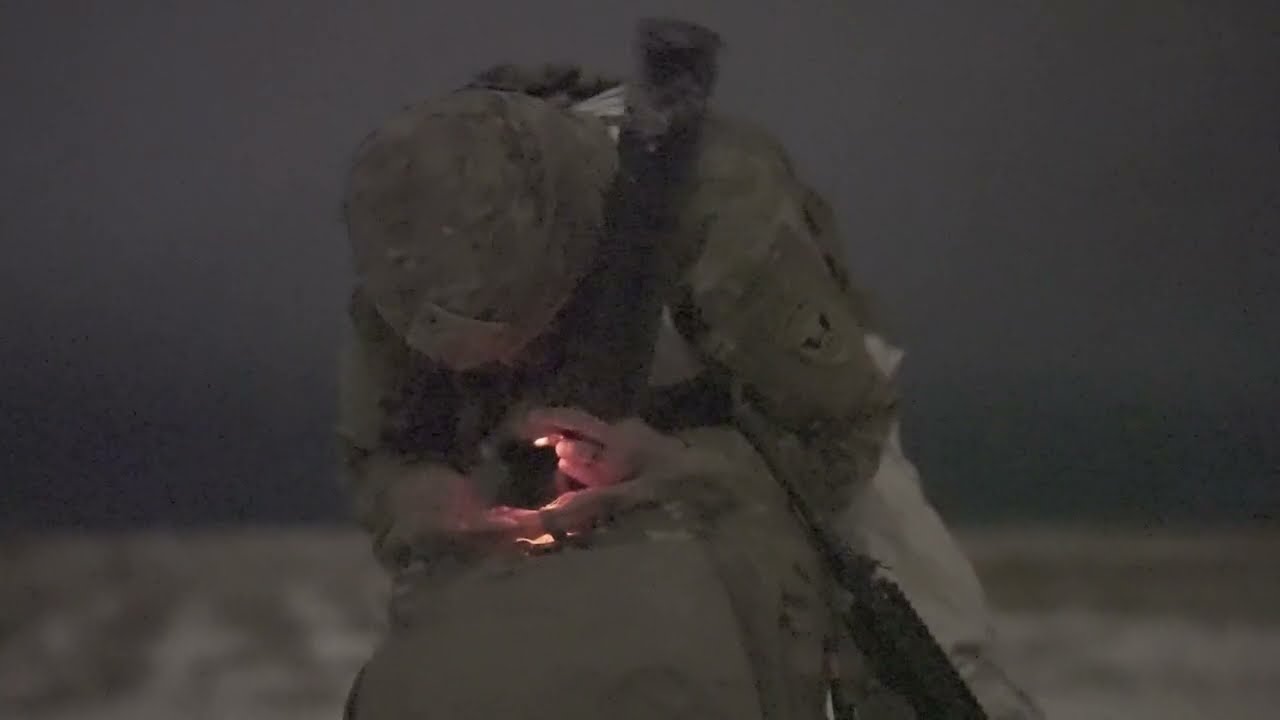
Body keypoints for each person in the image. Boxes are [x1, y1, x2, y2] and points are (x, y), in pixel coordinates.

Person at [336, 56, 1042, 719]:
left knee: (928, 640)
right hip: (555, 465)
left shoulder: (722, 208)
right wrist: (417, 498)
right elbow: (384, 448)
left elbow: (839, 435)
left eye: (518, 336)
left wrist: (687, 472)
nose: (497, 366)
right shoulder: (416, 257)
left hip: (774, 410)